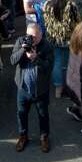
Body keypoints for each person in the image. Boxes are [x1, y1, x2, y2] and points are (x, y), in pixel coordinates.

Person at [11, 22, 54, 153]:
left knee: (43, 114)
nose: (32, 39)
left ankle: (44, 137)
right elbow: (12, 60)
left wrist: (36, 58)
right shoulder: (21, 41)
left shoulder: (46, 46)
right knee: (22, 114)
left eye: (35, 36)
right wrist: (23, 50)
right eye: (30, 36)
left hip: (40, 90)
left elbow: (49, 67)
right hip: (23, 88)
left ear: (41, 34)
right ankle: (23, 136)